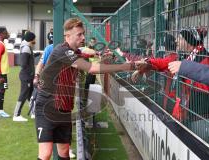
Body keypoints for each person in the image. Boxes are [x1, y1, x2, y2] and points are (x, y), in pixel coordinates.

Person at [35, 18, 136, 160]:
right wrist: (124, 66)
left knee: (64, 152)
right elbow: (92, 68)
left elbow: (86, 54)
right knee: (45, 154)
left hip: (64, 108)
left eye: (83, 34)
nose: (83, 37)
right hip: (47, 107)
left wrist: (101, 55)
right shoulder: (62, 51)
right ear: (67, 36)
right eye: (79, 35)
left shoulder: (73, 52)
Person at [13, 31, 36, 122]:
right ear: (31, 39)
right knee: (23, 95)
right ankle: (16, 115)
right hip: (26, 76)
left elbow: (28, 59)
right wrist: (30, 73)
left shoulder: (27, 47)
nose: (35, 40)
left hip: (28, 75)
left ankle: (32, 112)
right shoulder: (26, 48)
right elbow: (23, 63)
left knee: (30, 95)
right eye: (34, 38)